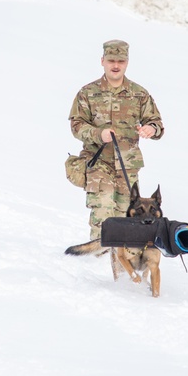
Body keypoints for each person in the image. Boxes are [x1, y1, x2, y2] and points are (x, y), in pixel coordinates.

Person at [67, 39, 164, 253]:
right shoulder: (87, 93)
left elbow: (156, 122)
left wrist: (151, 129)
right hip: (98, 163)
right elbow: (76, 125)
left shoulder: (139, 94)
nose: (116, 65)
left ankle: (122, 268)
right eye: (111, 60)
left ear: (127, 62)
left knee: (127, 217)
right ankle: (98, 262)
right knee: (103, 214)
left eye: (121, 60)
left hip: (128, 167)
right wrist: (97, 133)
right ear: (103, 61)